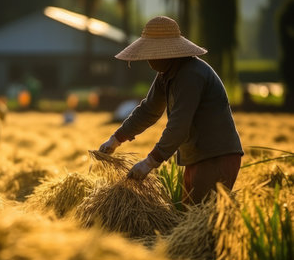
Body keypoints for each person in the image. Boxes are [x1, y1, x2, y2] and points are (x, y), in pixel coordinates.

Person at [99, 16, 244, 205]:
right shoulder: (166, 74)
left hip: (215, 157)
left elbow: (178, 125)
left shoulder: (191, 75)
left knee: (201, 224)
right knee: (189, 219)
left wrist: (150, 162)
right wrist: (116, 139)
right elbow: (148, 110)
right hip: (196, 156)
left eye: (153, 53)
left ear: (168, 52)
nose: (150, 59)